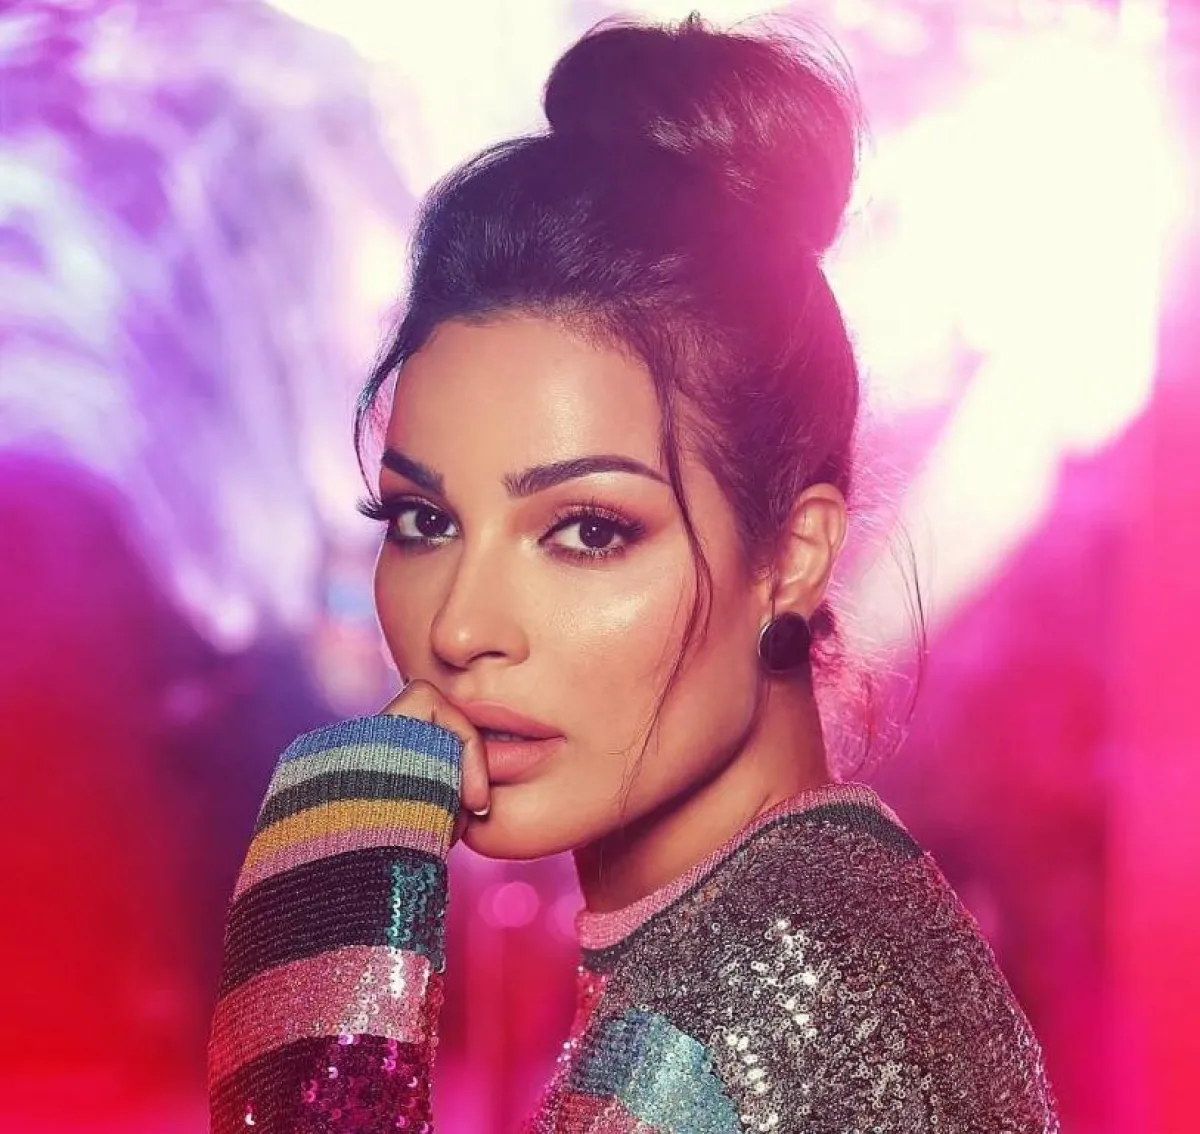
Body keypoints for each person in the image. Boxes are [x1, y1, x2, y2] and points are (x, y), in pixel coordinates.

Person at [207, 14, 1061, 1132]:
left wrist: (326, 945)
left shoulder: (749, 1005)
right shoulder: (801, 926)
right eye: (423, 520)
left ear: (792, 555)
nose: (459, 628)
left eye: (588, 530)